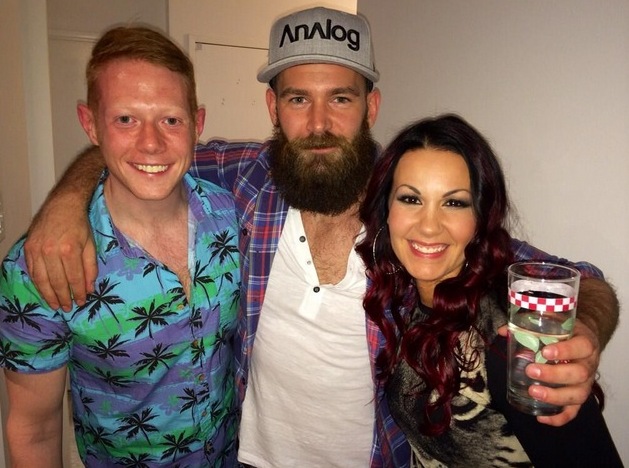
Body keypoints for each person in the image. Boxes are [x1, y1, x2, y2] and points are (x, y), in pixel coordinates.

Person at [22, 7, 618, 467]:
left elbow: (581, 279)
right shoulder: (243, 178)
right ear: (273, 107)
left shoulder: (413, 211)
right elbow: (143, 152)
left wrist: (586, 329)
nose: (318, 124)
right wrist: (67, 201)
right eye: (298, 99)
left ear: (371, 106)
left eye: (341, 98)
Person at [0, 26, 240, 466]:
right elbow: (35, 429)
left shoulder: (232, 217)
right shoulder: (40, 268)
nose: (151, 143)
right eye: (125, 119)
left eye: (171, 120)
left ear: (198, 124)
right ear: (90, 124)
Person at [356, 114, 622, 467]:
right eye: (410, 199)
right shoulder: (401, 297)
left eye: (454, 203)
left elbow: (583, 279)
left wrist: (586, 323)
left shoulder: (511, 341)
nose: (429, 226)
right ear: (386, 209)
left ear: (480, 218)